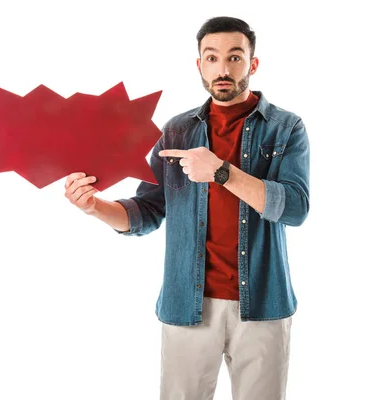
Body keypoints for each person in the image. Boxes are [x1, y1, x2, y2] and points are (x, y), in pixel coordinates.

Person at [63, 16, 310, 400]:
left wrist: (221, 172)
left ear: (253, 64)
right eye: (211, 58)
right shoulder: (176, 131)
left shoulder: (285, 128)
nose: (223, 69)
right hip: (188, 306)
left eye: (234, 57)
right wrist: (94, 206)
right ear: (199, 65)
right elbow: (146, 211)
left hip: (263, 304)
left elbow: (295, 207)